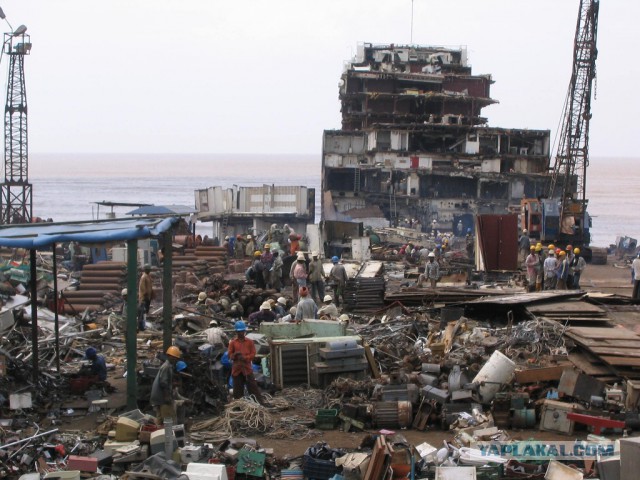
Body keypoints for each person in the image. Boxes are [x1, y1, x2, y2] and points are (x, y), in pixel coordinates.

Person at [228, 320, 266, 405]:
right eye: (239, 331)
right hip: (237, 370)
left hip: (247, 368)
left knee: (253, 387)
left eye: (242, 331)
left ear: (244, 331)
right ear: (236, 332)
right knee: (237, 390)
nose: (241, 333)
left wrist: (245, 358)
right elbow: (230, 355)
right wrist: (234, 355)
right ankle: (239, 405)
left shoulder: (249, 342)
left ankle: (260, 404)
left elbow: (253, 354)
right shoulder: (233, 343)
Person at [150, 346, 182, 423]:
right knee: (169, 420)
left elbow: (165, 381)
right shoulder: (166, 367)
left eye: (176, 358)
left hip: (157, 397)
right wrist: (167, 396)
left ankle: (159, 434)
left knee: (160, 420)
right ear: (169, 356)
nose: (175, 360)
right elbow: (163, 383)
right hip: (162, 398)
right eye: (174, 357)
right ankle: (169, 434)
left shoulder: (167, 366)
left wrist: (173, 384)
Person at [138, 265, 154, 331]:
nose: (149, 270)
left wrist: (152, 293)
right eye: (148, 269)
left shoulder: (148, 276)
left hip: (148, 297)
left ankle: (145, 324)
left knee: (146, 311)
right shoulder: (143, 277)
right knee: (142, 312)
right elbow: (142, 288)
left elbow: (150, 286)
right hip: (144, 298)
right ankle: (141, 327)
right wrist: (145, 295)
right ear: (145, 269)